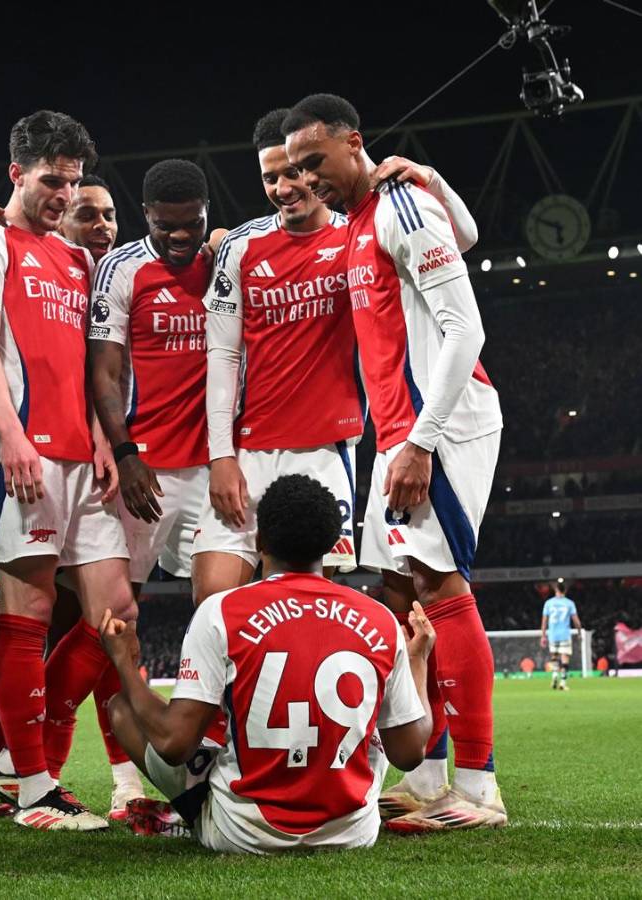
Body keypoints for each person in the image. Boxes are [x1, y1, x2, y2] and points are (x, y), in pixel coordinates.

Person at [283, 94, 506, 832]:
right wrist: (438, 178)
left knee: (441, 589)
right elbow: (464, 236)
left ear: (355, 142)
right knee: (403, 595)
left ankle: (477, 790)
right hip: (398, 430)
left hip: (440, 426)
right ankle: (432, 777)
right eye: (296, 169)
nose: (307, 179)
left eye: (316, 161)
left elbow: (463, 328)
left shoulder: (397, 205)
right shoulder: (366, 218)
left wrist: (420, 440)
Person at [193, 108, 479, 605]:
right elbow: (221, 355)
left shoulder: (359, 230)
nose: (288, 185)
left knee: (306, 605)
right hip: (248, 449)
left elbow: (463, 239)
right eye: (272, 177)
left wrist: (428, 179)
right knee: (213, 600)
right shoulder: (239, 246)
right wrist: (220, 455)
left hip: (327, 452)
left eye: (297, 170)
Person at [0, 109, 134, 831]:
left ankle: (11, 764)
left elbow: (81, 365)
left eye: (73, 181)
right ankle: (32, 786)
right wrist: (11, 437)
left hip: (77, 457)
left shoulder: (77, 260)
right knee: (24, 614)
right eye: (52, 181)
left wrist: (98, 435)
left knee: (113, 613)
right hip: (15, 455)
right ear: (17, 173)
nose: (63, 195)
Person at [99, 474, 434, 853]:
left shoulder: (221, 611)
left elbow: (174, 743)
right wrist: (417, 659)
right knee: (380, 718)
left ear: (259, 542)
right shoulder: (379, 618)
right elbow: (409, 753)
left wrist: (124, 662)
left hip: (243, 833)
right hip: (352, 833)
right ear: (331, 546)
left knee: (123, 708)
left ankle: (194, 813)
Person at [84, 159, 213, 811]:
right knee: (113, 619)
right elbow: (103, 374)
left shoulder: (226, 259)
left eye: (191, 225)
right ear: (146, 219)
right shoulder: (122, 268)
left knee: (221, 615)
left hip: (214, 472)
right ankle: (124, 780)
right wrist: (126, 453)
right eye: (166, 228)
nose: (180, 239)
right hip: (143, 471)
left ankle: (214, 759)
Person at [542, 582, 582, 690]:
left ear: (556, 590)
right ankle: (563, 682)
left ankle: (555, 676)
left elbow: (545, 620)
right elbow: (576, 620)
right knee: (565, 657)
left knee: (554, 656)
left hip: (553, 634)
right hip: (564, 634)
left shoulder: (548, 603)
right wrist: (579, 632)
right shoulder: (569, 603)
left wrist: (543, 635)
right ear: (565, 591)